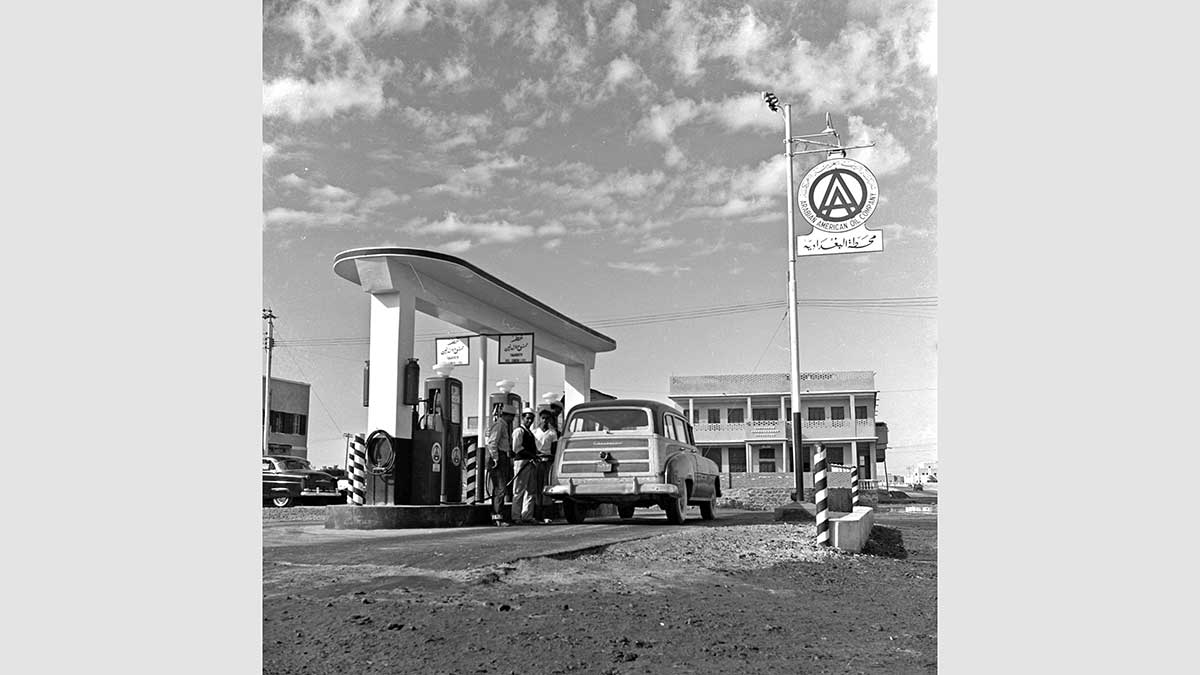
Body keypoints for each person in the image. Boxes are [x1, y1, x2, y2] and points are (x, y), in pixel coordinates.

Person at [485, 402, 517, 526]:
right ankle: (498, 517)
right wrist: (496, 459)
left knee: (500, 488)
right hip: (498, 457)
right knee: (500, 488)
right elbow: (492, 443)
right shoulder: (499, 425)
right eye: (512, 416)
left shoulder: (503, 426)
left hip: (503, 456)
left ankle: (497, 516)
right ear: (507, 415)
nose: (513, 419)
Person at [510, 409, 540, 524]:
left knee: (531, 490)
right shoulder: (519, 431)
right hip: (522, 462)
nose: (529, 421)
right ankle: (516, 516)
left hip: (530, 462)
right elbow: (516, 448)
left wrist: (535, 455)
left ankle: (527, 515)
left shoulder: (530, 432)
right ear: (523, 418)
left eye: (531, 419)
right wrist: (531, 454)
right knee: (519, 490)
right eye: (527, 418)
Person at [532, 407, 560, 523]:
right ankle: (538, 514)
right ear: (540, 418)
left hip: (548, 461)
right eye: (543, 418)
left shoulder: (552, 433)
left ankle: (547, 514)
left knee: (547, 487)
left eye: (547, 418)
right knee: (538, 487)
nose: (545, 420)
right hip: (537, 461)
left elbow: (554, 449)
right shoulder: (534, 432)